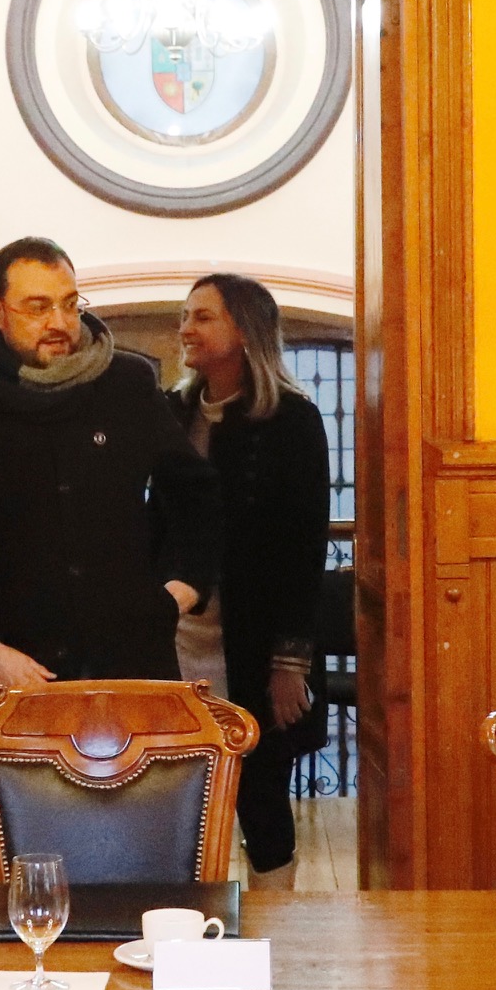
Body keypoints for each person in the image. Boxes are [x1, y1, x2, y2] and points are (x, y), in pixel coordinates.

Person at [0, 236, 221, 888]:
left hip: (128, 664)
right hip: (7, 675)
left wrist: (180, 588)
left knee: (143, 861)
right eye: (37, 307)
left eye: (69, 303)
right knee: (21, 875)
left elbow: (195, 493)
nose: (60, 322)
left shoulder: (127, 382)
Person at [171, 274, 333, 891]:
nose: (186, 328)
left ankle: (276, 926)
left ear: (243, 331)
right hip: (178, 632)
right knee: (181, 787)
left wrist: (290, 662)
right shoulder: (173, 413)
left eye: (202, 317)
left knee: (261, 791)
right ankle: (187, 917)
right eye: (185, 316)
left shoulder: (292, 418)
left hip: (257, 638)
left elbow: (303, 546)